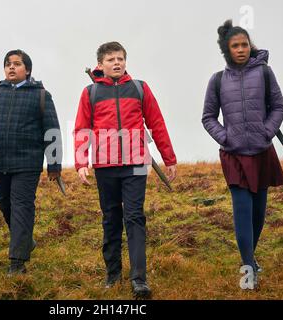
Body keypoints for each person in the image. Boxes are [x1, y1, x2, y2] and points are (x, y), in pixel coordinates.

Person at [74, 41, 177, 298]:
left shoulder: (140, 88)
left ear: (125, 61)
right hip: (105, 165)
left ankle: (139, 279)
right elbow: (82, 128)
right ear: (100, 65)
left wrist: (169, 157)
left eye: (120, 58)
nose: (116, 63)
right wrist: (81, 162)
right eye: (110, 59)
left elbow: (157, 123)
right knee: (110, 219)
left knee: (134, 217)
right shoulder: (90, 93)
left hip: (136, 163)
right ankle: (113, 275)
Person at [202, 20, 283, 289]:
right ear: (227, 50)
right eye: (235, 45)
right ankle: (248, 269)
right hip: (234, 155)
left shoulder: (264, 73)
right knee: (242, 210)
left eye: (244, 44)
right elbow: (208, 117)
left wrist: (266, 131)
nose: (241, 49)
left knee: (258, 213)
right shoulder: (217, 80)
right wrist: (226, 137)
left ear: (250, 46)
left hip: (262, 151)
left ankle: (251, 255)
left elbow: (278, 106)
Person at [0, 49, 62, 275]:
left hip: (27, 163)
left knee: (21, 207)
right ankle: (25, 241)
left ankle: (17, 263)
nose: (11, 67)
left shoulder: (41, 95)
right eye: (8, 64)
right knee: (6, 205)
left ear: (27, 70)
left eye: (17, 64)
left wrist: (54, 164)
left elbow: (52, 131)